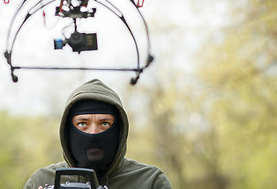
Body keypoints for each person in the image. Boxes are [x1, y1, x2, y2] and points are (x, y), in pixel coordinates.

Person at [23, 79, 172, 189]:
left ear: (119, 130)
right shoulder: (41, 180)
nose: (93, 133)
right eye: (82, 124)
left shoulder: (150, 181)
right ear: (67, 131)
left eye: (105, 123)